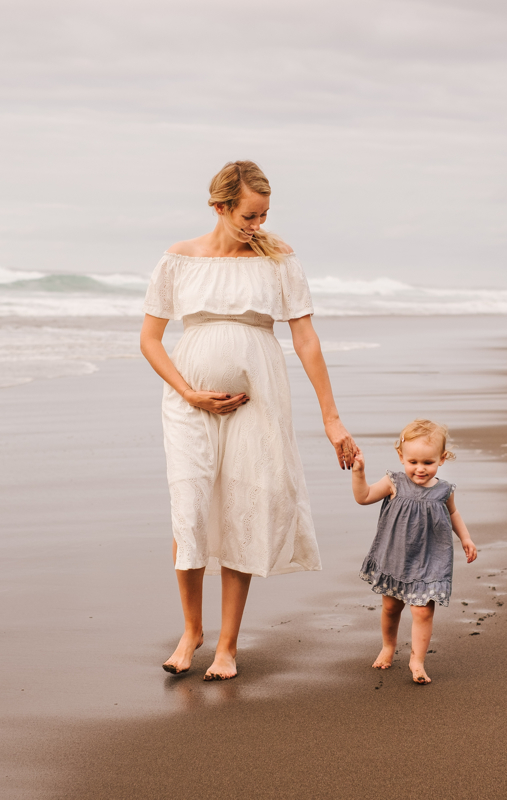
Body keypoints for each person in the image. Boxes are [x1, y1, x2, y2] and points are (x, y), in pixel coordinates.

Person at [140, 160, 358, 681]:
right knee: (189, 510)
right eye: (248, 216)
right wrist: (189, 392)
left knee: (241, 507)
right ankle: (191, 632)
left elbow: (305, 339)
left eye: (262, 216)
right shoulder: (178, 259)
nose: (256, 226)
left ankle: (227, 646)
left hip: (257, 400)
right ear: (219, 207)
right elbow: (149, 340)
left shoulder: (278, 260)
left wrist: (332, 419)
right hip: (188, 404)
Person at [351, 419, 478, 684]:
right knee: (391, 606)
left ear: (441, 459)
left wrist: (465, 538)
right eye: (413, 462)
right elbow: (363, 497)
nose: (420, 469)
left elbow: (453, 513)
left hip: (430, 559)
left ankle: (417, 661)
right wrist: (359, 473)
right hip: (396, 557)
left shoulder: (444, 490)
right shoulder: (393, 482)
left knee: (423, 610)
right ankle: (388, 647)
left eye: (428, 463)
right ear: (401, 457)